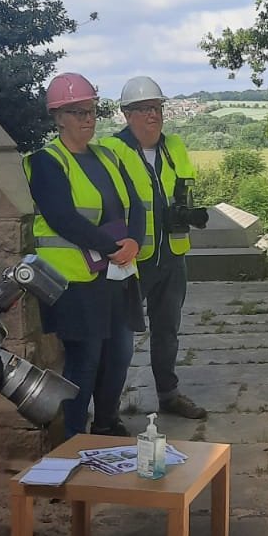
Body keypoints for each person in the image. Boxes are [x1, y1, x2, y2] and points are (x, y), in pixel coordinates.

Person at [23, 73, 145, 439]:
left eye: (91, 110)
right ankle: (72, 438)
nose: (88, 119)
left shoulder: (107, 155)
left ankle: (106, 422)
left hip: (117, 275)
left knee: (120, 353)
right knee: (85, 361)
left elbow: (135, 205)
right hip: (76, 282)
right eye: (77, 112)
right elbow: (63, 219)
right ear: (58, 117)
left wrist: (134, 242)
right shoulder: (47, 162)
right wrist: (114, 248)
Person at [100, 75, 209, 421]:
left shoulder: (173, 147)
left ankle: (169, 394)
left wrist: (188, 213)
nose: (153, 115)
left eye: (157, 107)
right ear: (126, 114)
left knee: (167, 331)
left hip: (172, 256)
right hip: (132, 259)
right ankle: (108, 408)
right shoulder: (112, 151)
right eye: (144, 109)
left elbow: (176, 192)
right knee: (118, 338)